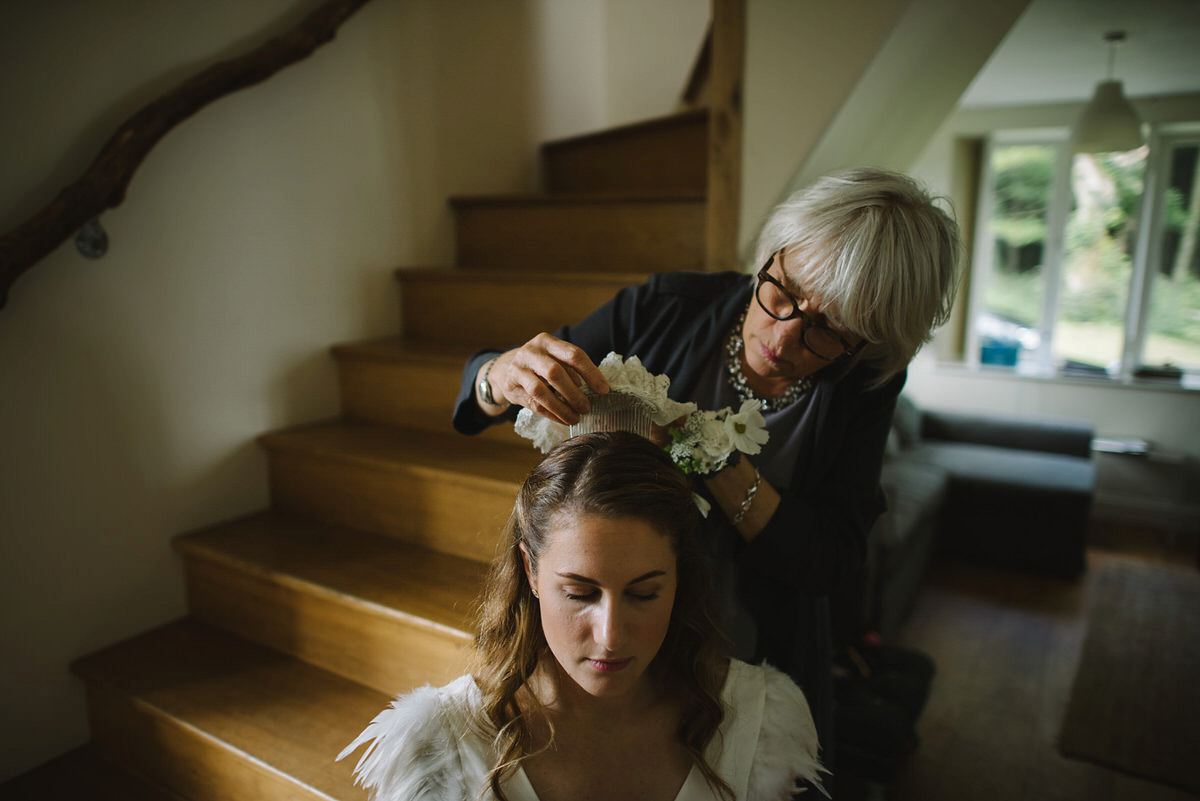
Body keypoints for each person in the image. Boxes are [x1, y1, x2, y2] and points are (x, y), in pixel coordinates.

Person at [452, 167, 962, 750]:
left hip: (743, 642)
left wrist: (709, 455)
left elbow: (828, 561)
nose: (782, 336)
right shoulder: (666, 305)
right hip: (608, 625)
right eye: (782, 292)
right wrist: (499, 376)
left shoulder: (862, 386)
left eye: (828, 330)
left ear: (865, 344)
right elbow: (480, 392)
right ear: (772, 254)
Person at [338, 432, 825, 801]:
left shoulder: (758, 724)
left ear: (681, 578)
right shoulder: (444, 746)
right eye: (579, 593)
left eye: (644, 593)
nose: (610, 636)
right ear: (530, 571)